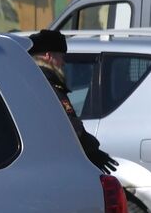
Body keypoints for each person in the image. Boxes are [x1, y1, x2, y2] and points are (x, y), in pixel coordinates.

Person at [29, 29, 118, 174]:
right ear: (48, 55)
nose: (63, 62)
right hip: (54, 164)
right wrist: (91, 150)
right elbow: (70, 126)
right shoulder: (48, 85)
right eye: (61, 57)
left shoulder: (32, 80)